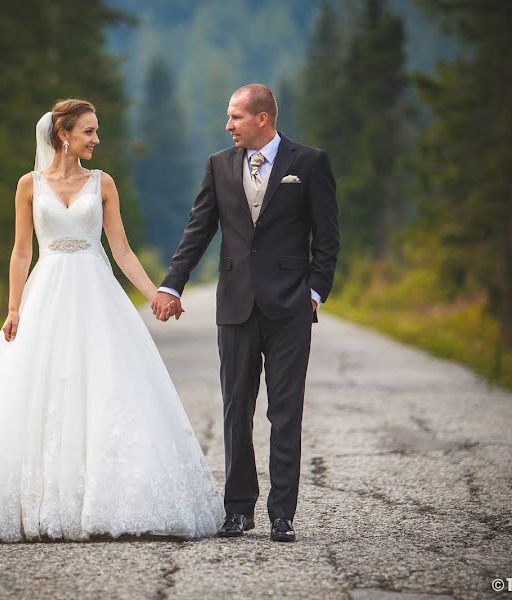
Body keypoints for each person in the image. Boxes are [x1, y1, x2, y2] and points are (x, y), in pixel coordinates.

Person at [0, 99, 224, 543]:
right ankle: (39, 501)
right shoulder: (29, 185)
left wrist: (157, 293)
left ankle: (107, 498)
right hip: (46, 292)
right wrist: (13, 308)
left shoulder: (103, 185)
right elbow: (21, 250)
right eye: (89, 131)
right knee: (40, 390)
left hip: (95, 294)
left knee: (104, 387)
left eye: (97, 131)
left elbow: (120, 250)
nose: (96, 139)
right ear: (64, 135)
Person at [151, 84, 340, 542]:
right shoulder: (219, 165)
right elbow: (198, 230)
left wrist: (314, 293)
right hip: (235, 306)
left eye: (235, 117)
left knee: (285, 412)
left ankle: (282, 514)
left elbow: (327, 237)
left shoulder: (309, 163)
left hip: (290, 308)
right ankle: (238, 509)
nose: (227, 125)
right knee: (237, 410)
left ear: (262, 118)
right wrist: (172, 282)